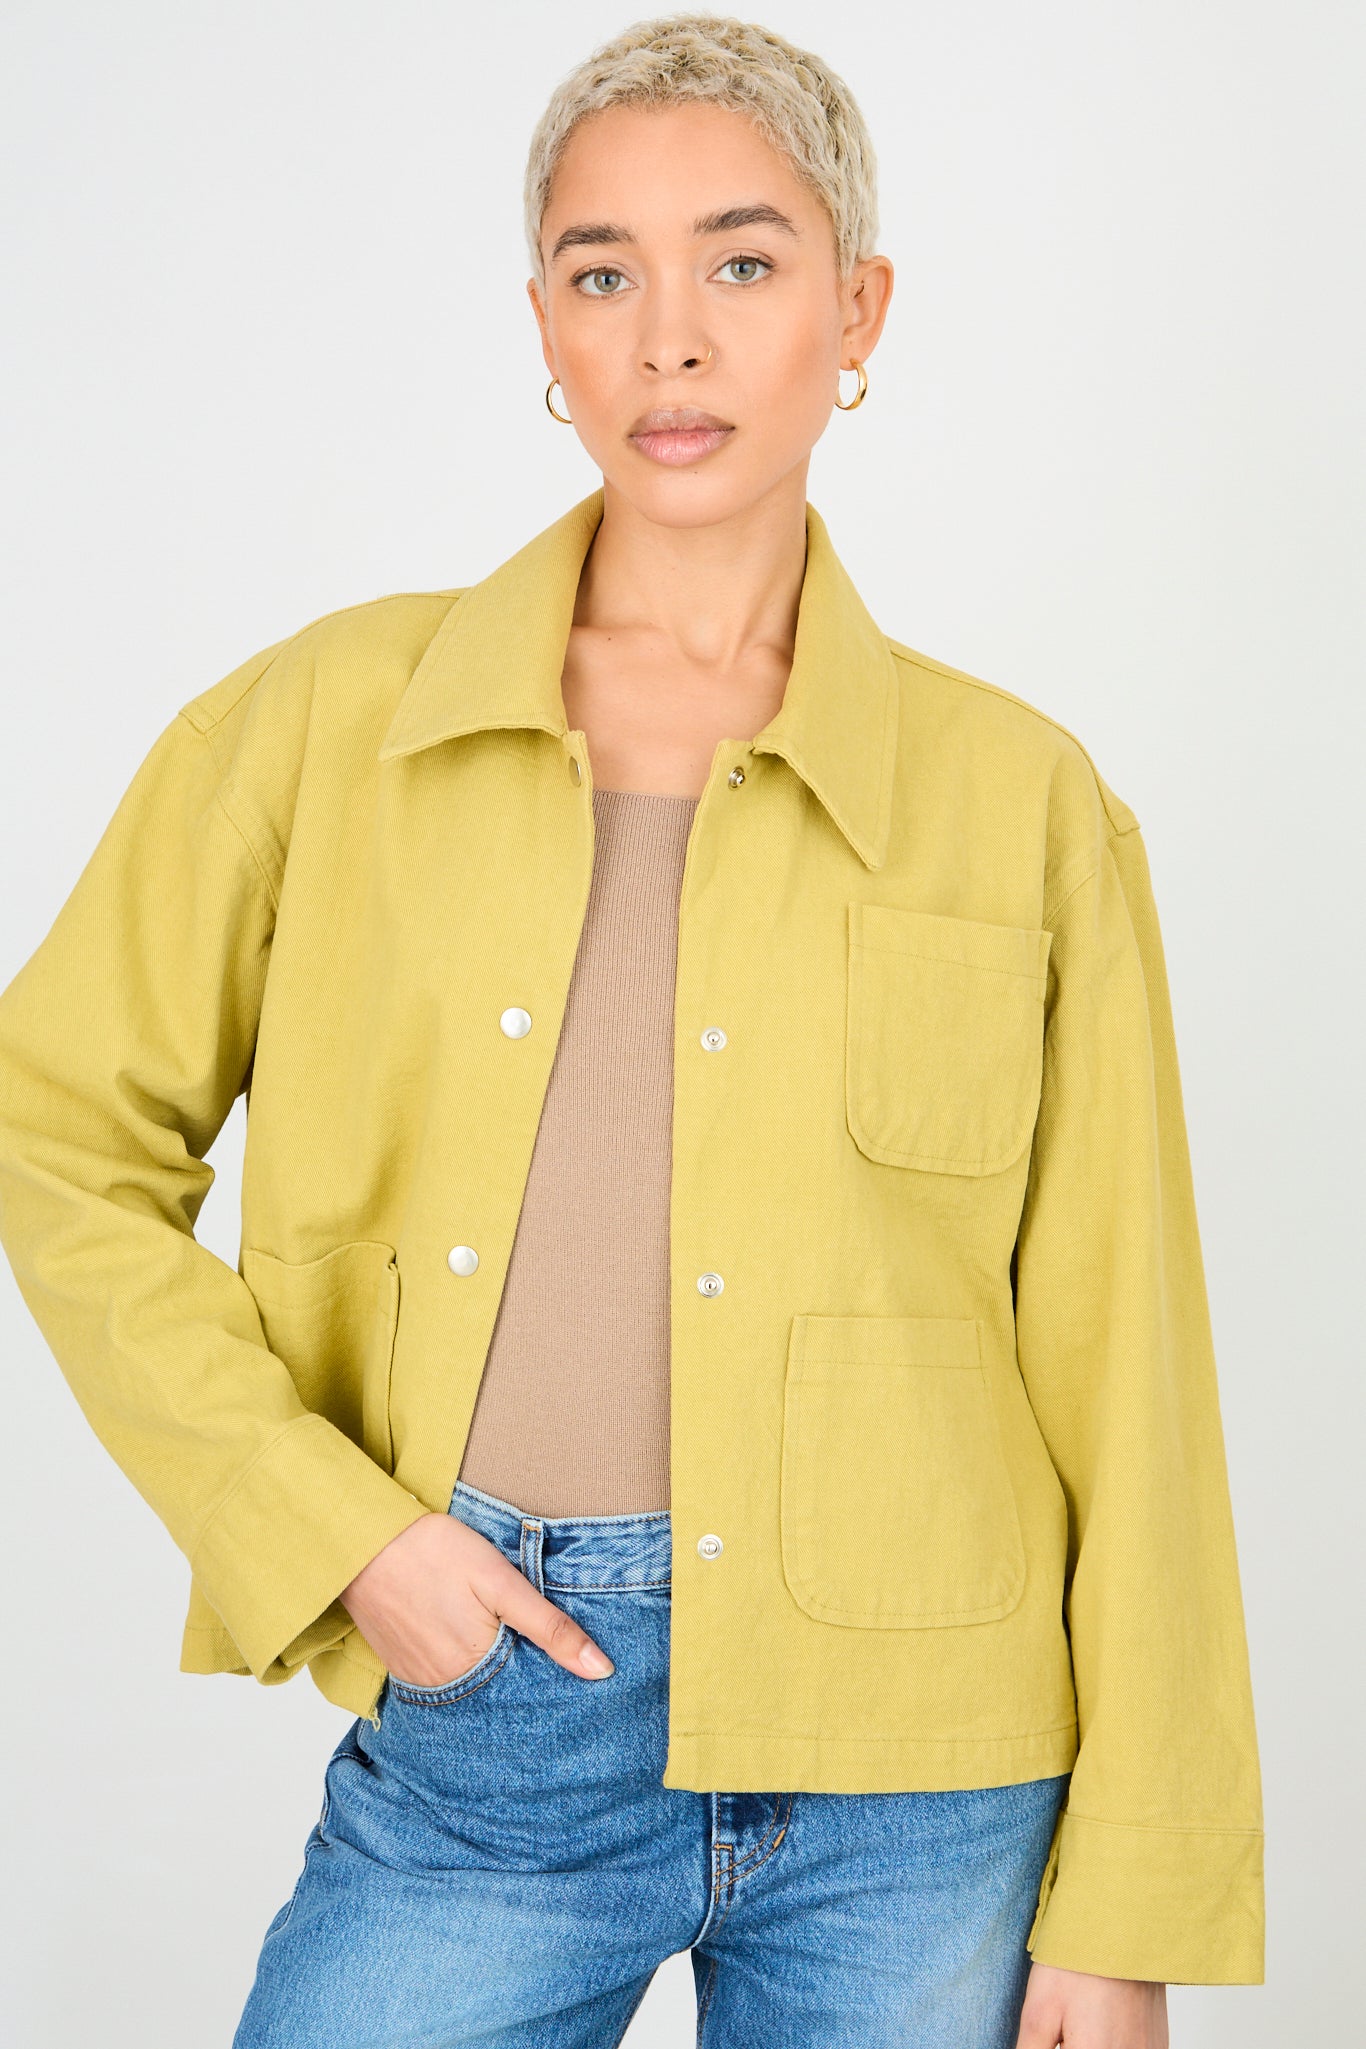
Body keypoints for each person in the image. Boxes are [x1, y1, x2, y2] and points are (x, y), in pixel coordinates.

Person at [0, 14, 1264, 2047]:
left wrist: (1124, 1908)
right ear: (544, 328)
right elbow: (49, 1126)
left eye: (741, 262)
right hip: (497, 1709)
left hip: (929, 1782)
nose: (669, 338)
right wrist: (335, 1531)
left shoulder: (1020, 801)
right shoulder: (324, 726)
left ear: (857, 311)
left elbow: (1131, 1373)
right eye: (603, 273)